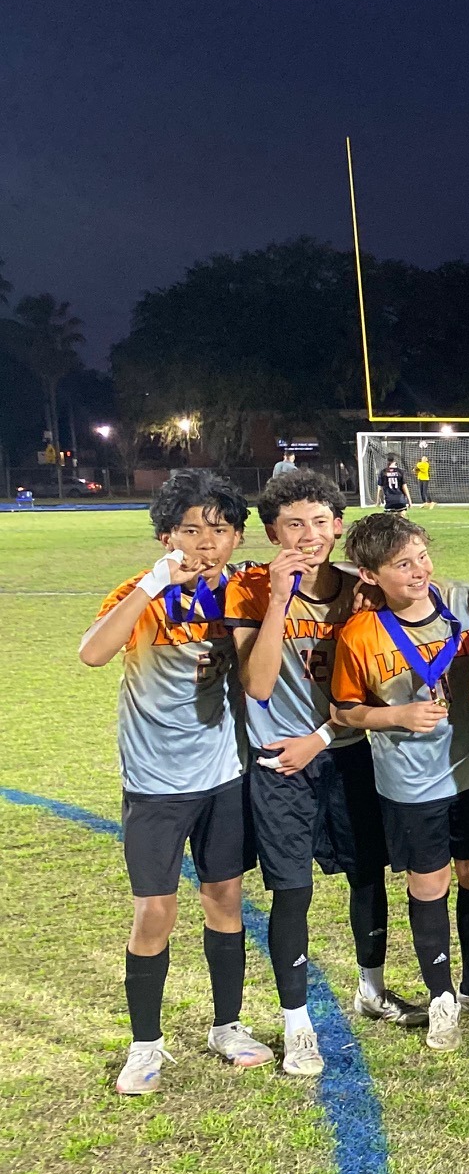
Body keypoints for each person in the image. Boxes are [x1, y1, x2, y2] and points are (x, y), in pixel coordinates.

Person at [225, 471, 417, 1081]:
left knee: (367, 872)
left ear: (338, 525)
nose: (308, 536)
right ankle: (296, 1021)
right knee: (293, 888)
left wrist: (322, 737)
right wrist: (280, 599)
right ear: (272, 531)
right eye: (293, 524)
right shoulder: (253, 590)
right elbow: (256, 684)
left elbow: (370, 682)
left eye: (318, 521)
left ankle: (372, 987)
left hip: (348, 748)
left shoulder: (363, 592)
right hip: (280, 761)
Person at [83, 469, 267, 1095]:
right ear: (166, 536)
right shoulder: (142, 594)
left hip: (222, 776)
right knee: (154, 912)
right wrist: (153, 583)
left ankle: (228, 1024)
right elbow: (93, 652)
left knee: (224, 901)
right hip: (156, 781)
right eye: (190, 529)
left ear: (237, 539)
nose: (205, 543)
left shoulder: (243, 595)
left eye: (219, 530)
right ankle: (145, 1044)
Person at [330, 512, 469, 1055]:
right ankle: (441, 998)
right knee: (428, 884)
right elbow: (344, 711)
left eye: (421, 557)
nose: (418, 571)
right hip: (411, 783)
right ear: (369, 575)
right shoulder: (360, 633)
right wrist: (396, 716)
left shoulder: (465, 602)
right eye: (401, 565)